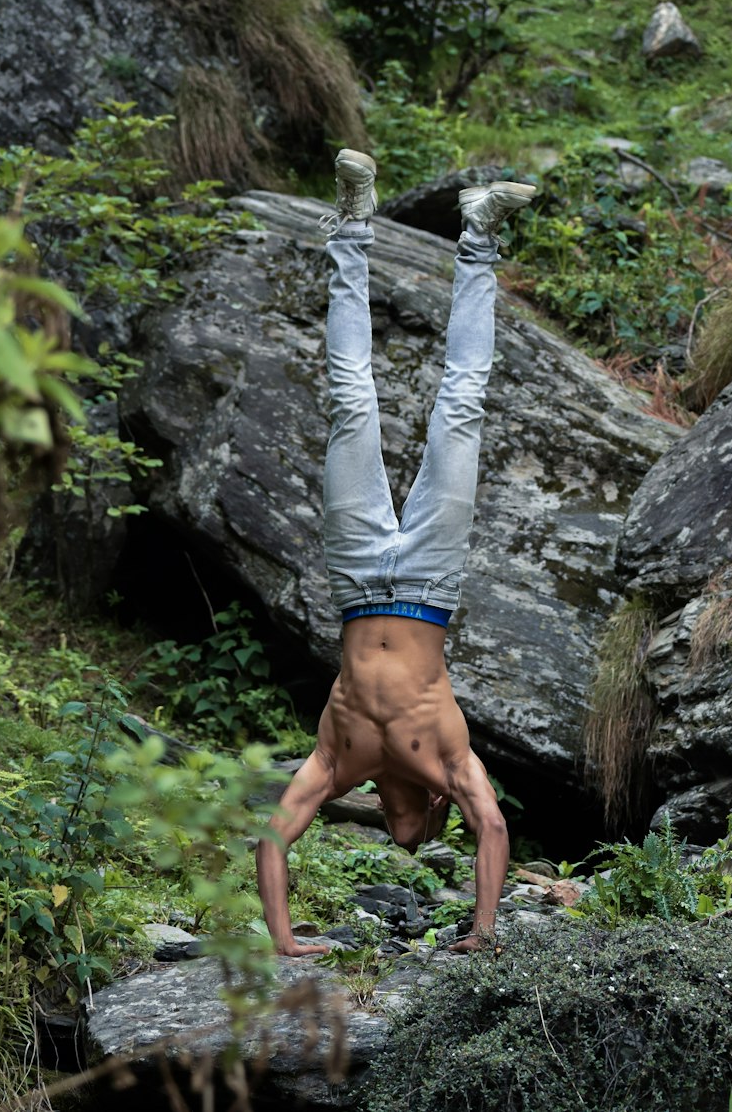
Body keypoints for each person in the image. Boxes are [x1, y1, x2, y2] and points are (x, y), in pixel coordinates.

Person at [256, 150, 536, 956]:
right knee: (462, 407)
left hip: (355, 576)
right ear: (428, 811)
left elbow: (274, 841)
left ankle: (353, 220)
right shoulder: (451, 761)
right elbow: (493, 826)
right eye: (400, 826)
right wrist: (483, 931)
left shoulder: (338, 760)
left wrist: (284, 942)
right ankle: (479, 234)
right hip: (428, 582)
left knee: (351, 399)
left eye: (388, 826)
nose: (391, 822)